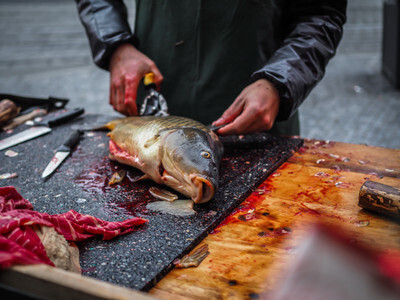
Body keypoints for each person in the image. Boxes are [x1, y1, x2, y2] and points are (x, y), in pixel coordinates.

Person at [75, 0, 347, 136]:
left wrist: (280, 82)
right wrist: (116, 46)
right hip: (150, 116)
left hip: (257, 120)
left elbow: (321, 14)